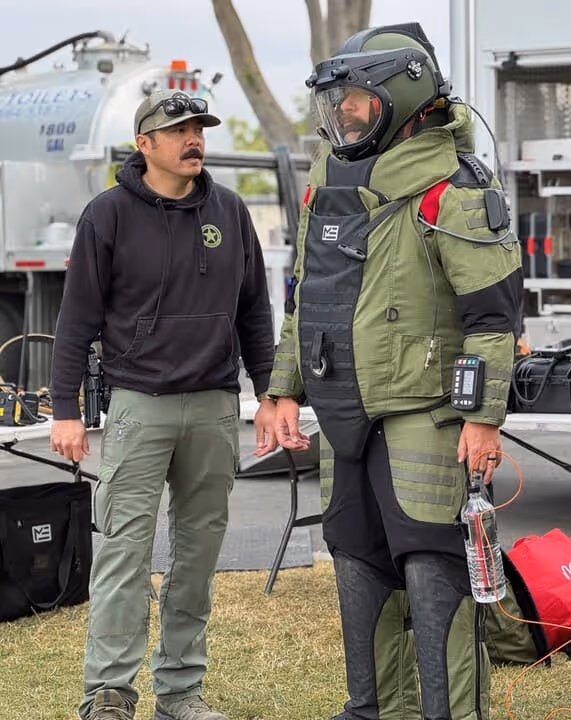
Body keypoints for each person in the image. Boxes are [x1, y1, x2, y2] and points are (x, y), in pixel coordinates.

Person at [265, 22, 523, 720]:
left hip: (427, 414)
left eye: (355, 100)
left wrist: (481, 417)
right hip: (343, 407)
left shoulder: (455, 186)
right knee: (356, 561)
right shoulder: (329, 182)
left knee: (434, 573)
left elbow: (494, 318)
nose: (342, 113)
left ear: (400, 98)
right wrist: (282, 388)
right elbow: (304, 296)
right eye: (337, 101)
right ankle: (374, 709)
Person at [49, 89, 278, 720]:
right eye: (178, 129)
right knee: (124, 553)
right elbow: (76, 321)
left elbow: (255, 312)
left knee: (197, 557)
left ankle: (180, 693)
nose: (193, 138)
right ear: (145, 144)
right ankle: (109, 695)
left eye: (199, 127)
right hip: (138, 405)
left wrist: (271, 394)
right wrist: (67, 409)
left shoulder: (230, 213)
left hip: (212, 406)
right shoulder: (108, 215)